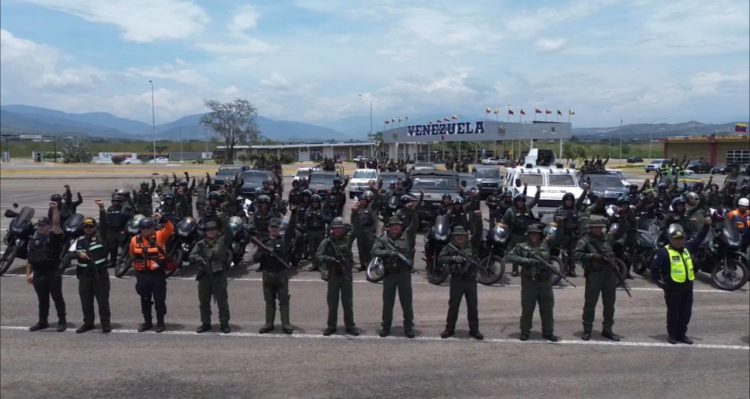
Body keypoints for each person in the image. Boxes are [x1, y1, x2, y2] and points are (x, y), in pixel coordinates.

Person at [651, 218, 710, 344]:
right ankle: (672, 335)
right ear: (670, 239)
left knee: (686, 313)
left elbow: (699, 238)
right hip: (673, 287)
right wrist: (659, 282)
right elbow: (654, 268)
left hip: (687, 286)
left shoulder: (687, 248)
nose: (679, 241)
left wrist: (706, 225)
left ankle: (682, 334)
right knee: (674, 313)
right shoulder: (663, 252)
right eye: (676, 239)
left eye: (681, 239)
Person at [62, 207, 111, 334]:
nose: (88, 229)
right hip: (84, 276)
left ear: (95, 227)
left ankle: (105, 324)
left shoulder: (101, 237)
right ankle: (88, 323)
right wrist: (78, 254)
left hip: (99, 275)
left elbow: (105, 225)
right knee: (86, 302)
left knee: (102, 301)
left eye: (90, 226)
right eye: (86, 227)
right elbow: (68, 255)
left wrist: (101, 210)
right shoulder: (79, 241)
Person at [505, 224, 558, 342]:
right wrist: (527, 260)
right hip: (529, 282)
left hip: (545, 282)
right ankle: (525, 331)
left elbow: (558, 238)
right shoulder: (522, 246)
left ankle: (548, 332)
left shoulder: (546, 244)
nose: (534, 236)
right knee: (527, 309)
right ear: (527, 235)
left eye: (536, 233)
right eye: (531, 234)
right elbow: (509, 257)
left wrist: (559, 224)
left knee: (547, 308)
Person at [371, 215, 419, 338]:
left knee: (406, 302)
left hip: (403, 274)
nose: (395, 227)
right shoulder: (383, 239)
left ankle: (408, 328)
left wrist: (413, 212)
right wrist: (389, 252)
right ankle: (386, 327)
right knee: (388, 302)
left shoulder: (407, 236)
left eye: (397, 225)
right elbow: (374, 251)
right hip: (389, 274)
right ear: (389, 227)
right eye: (393, 225)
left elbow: (414, 224)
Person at [575, 216, 620, 341]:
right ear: (590, 228)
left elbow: (620, 233)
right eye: (595, 227)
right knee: (590, 304)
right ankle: (587, 330)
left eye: (599, 227)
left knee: (609, 304)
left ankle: (608, 329)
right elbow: (577, 254)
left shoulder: (608, 238)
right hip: (594, 275)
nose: (597, 229)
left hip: (609, 275)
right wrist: (592, 256)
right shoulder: (585, 240)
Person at [129, 213, 174, 333]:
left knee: (159, 300)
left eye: (148, 227)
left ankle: (160, 322)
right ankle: (147, 322)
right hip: (142, 275)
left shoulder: (159, 236)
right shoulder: (134, 240)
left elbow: (170, 229)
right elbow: (132, 254)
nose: (146, 230)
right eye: (143, 228)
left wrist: (162, 219)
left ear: (153, 228)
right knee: (145, 299)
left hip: (157, 274)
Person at [26, 203, 67, 332]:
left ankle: (62, 321)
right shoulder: (33, 240)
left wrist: (55, 209)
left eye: (43, 226)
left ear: (48, 226)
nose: (41, 228)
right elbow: (30, 259)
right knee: (42, 299)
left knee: (57, 297)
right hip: (38, 273)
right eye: (39, 226)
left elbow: (56, 223)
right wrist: (28, 274)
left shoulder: (54, 237)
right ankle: (42, 321)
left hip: (52, 272)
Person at [252, 215, 296, 335]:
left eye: (276, 227)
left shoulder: (284, 241)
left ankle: (286, 324)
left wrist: (294, 214)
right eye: (272, 227)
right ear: (268, 228)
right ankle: (269, 324)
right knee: (269, 300)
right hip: (267, 275)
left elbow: (291, 229)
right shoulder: (264, 243)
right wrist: (262, 252)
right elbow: (255, 259)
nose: (274, 229)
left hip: (281, 274)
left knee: (284, 300)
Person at [316, 217, 359, 336]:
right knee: (332, 302)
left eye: (339, 228)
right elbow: (319, 255)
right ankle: (331, 326)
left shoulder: (348, 238)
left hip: (346, 274)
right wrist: (331, 260)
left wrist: (356, 215)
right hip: (334, 274)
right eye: (335, 228)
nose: (337, 231)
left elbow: (358, 230)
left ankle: (350, 326)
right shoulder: (327, 241)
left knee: (348, 302)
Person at [438, 226, 483, 340]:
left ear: (466, 236)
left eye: (462, 235)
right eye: (457, 236)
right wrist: (453, 258)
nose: (460, 238)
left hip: (470, 280)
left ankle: (474, 330)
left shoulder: (472, 245)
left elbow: (478, 232)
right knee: (453, 306)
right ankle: (449, 329)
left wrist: (478, 220)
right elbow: (440, 258)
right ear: (453, 237)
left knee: (472, 306)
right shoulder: (449, 247)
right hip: (456, 280)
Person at [189, 218, 232, 334]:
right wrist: (199, 258)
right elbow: (191, 256)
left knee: (222, 302)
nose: (211, 231)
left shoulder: (222, 242)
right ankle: (205, 323)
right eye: (208, 230)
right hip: (205, 277)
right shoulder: (201, 244)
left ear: (217, 231)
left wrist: (224, 219)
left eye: (213, 229)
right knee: (204, 302)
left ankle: (224, 323)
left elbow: (229, 233)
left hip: (219, 276)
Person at [351, 191, 378, 271]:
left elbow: (374, 220)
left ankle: (370, 265)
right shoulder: (357, 210)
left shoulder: (370, 208)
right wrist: (354, 213)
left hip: (369, 231)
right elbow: (353, 221)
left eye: (364, 200)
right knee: (361, 249)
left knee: (369, 249)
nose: (362, 202)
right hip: (360, 231)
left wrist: (376, 192)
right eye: (361, 200)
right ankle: (363, 264)